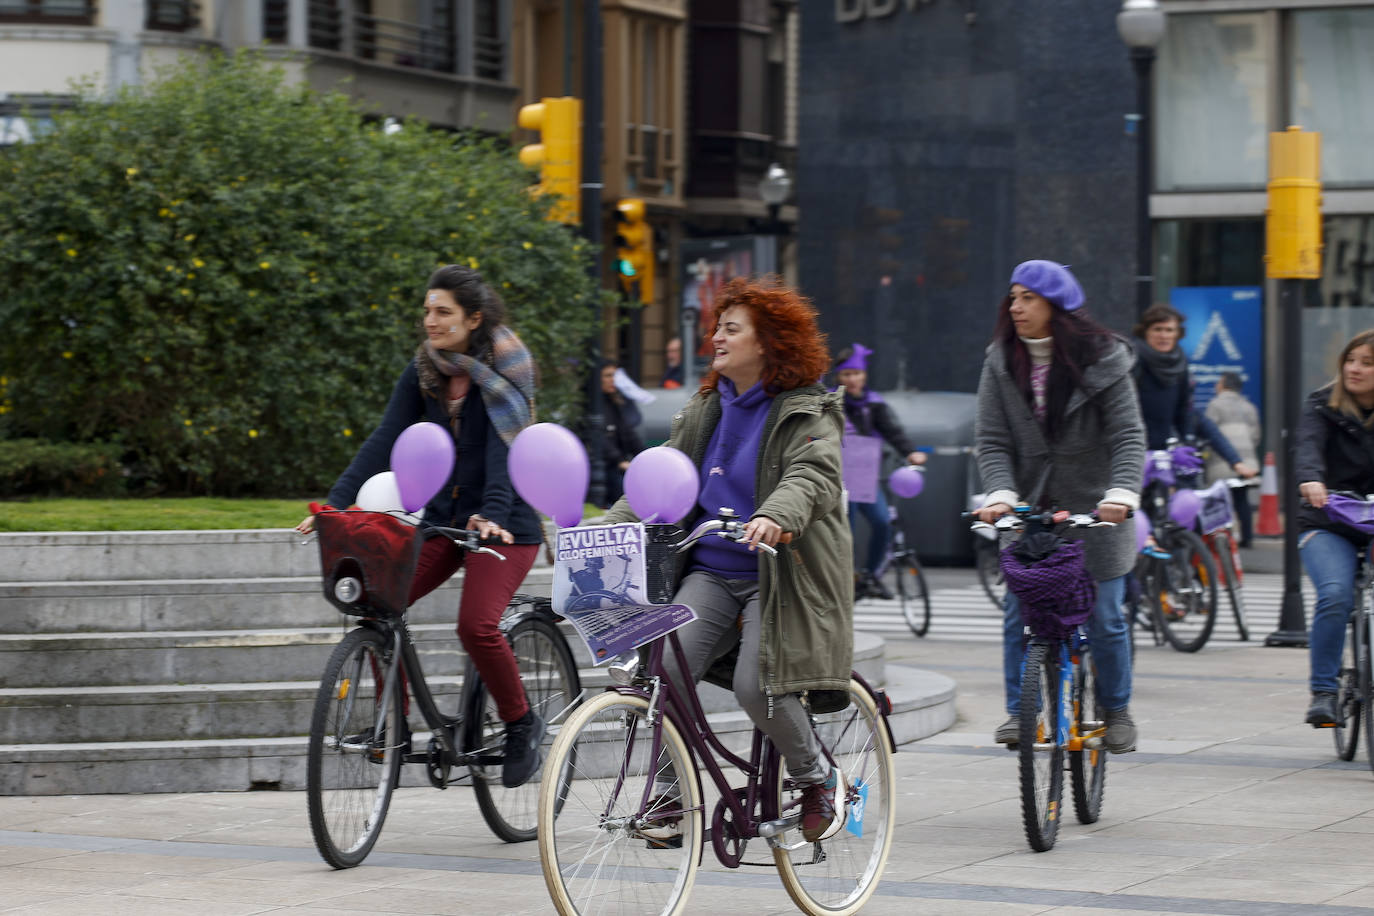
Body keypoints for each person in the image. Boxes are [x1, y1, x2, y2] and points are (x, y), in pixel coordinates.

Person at [603, 276, 853, 843]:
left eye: (730, 328)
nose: (715, 336)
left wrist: (776, 516)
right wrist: (606, 530)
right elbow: (660, 477)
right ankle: (669, 796)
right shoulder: (706, 409)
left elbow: (812, 475)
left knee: (755, 684)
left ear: (767, 342)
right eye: (717, 326)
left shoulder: (807, 410)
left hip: (779, 572)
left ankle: (816, 779)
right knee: (662, 675)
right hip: (710, 570)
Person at [296, 264, 547, 788]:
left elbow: (507, 454)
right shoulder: (424, 371)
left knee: (475, 625)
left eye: (443, 313)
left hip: (506, 527)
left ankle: (521, 722)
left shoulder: (504, 373)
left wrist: (494, 514)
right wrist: (335, 506)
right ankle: (396, 721)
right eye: (427, 311)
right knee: (380, 602)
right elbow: (386, 437)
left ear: (473, 319)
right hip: (444, 520)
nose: (430, 322)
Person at [973, 260, 1145, 753]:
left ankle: (1116, 710)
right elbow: (991, 440)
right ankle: (1017, 713)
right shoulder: (1000, 360)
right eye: (1013, 297)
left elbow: (1128, 435)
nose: (1016, 307)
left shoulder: (1105, 358)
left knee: (1107, 616)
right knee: (1015, 613)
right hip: (1029, 511)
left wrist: (1121, 493)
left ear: (1057, 305)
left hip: (1097, 511)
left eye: (1028, 297)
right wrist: (1001, 494)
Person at [1296, 330, 1374, 727]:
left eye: (1367, 362)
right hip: (1328, 521)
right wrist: (1311, 480)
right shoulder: (1322, 404)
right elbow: (1307, 446)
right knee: (1335, 594)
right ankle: (1324, 692)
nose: (1355, 369)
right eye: (1351, 359)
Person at [831, 342, 927, 599]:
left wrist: (910, 452)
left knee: (883, 523)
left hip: (865, 476)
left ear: (864, 376)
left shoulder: (874, 404)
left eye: (856, 374)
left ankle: (870, 577)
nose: (852, 380)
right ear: (838, 377)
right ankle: (844, 580)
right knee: (845, 531)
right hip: (838, 479)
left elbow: (892, 431)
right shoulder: (831, 402)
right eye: (846, 374)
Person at [1204, 372, 1262, 546]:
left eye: (1218, 382)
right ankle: (1247, 537)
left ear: (1223, 385)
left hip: (1222, 461)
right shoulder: (1248, 406)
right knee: (1242, 500)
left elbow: (1209, 433)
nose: (1216, 386)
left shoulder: (1215, 405)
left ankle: (1223, 538)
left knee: (1221, 500)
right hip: (1246, 462)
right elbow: (1256, 436)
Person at [1131, 303, 1194, 450]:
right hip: (1134, 448)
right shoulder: (1132, 360)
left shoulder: (1181, 363)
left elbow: (1184, 410)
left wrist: (1186, 444)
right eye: (1157, 329)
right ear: (1145, 332)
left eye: (1169, 330)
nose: (1163, 335)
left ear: (1178, 334)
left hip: (1165, 451)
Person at [597, 359, 645, 508]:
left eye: (614, 375)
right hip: (607, 468)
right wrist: (620, 461)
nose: (613, 380)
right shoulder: (593, 407)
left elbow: (628, 434)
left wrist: (647, 456)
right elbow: (600, 439)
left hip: (619, 464)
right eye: (608, 375)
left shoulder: (614, 403)